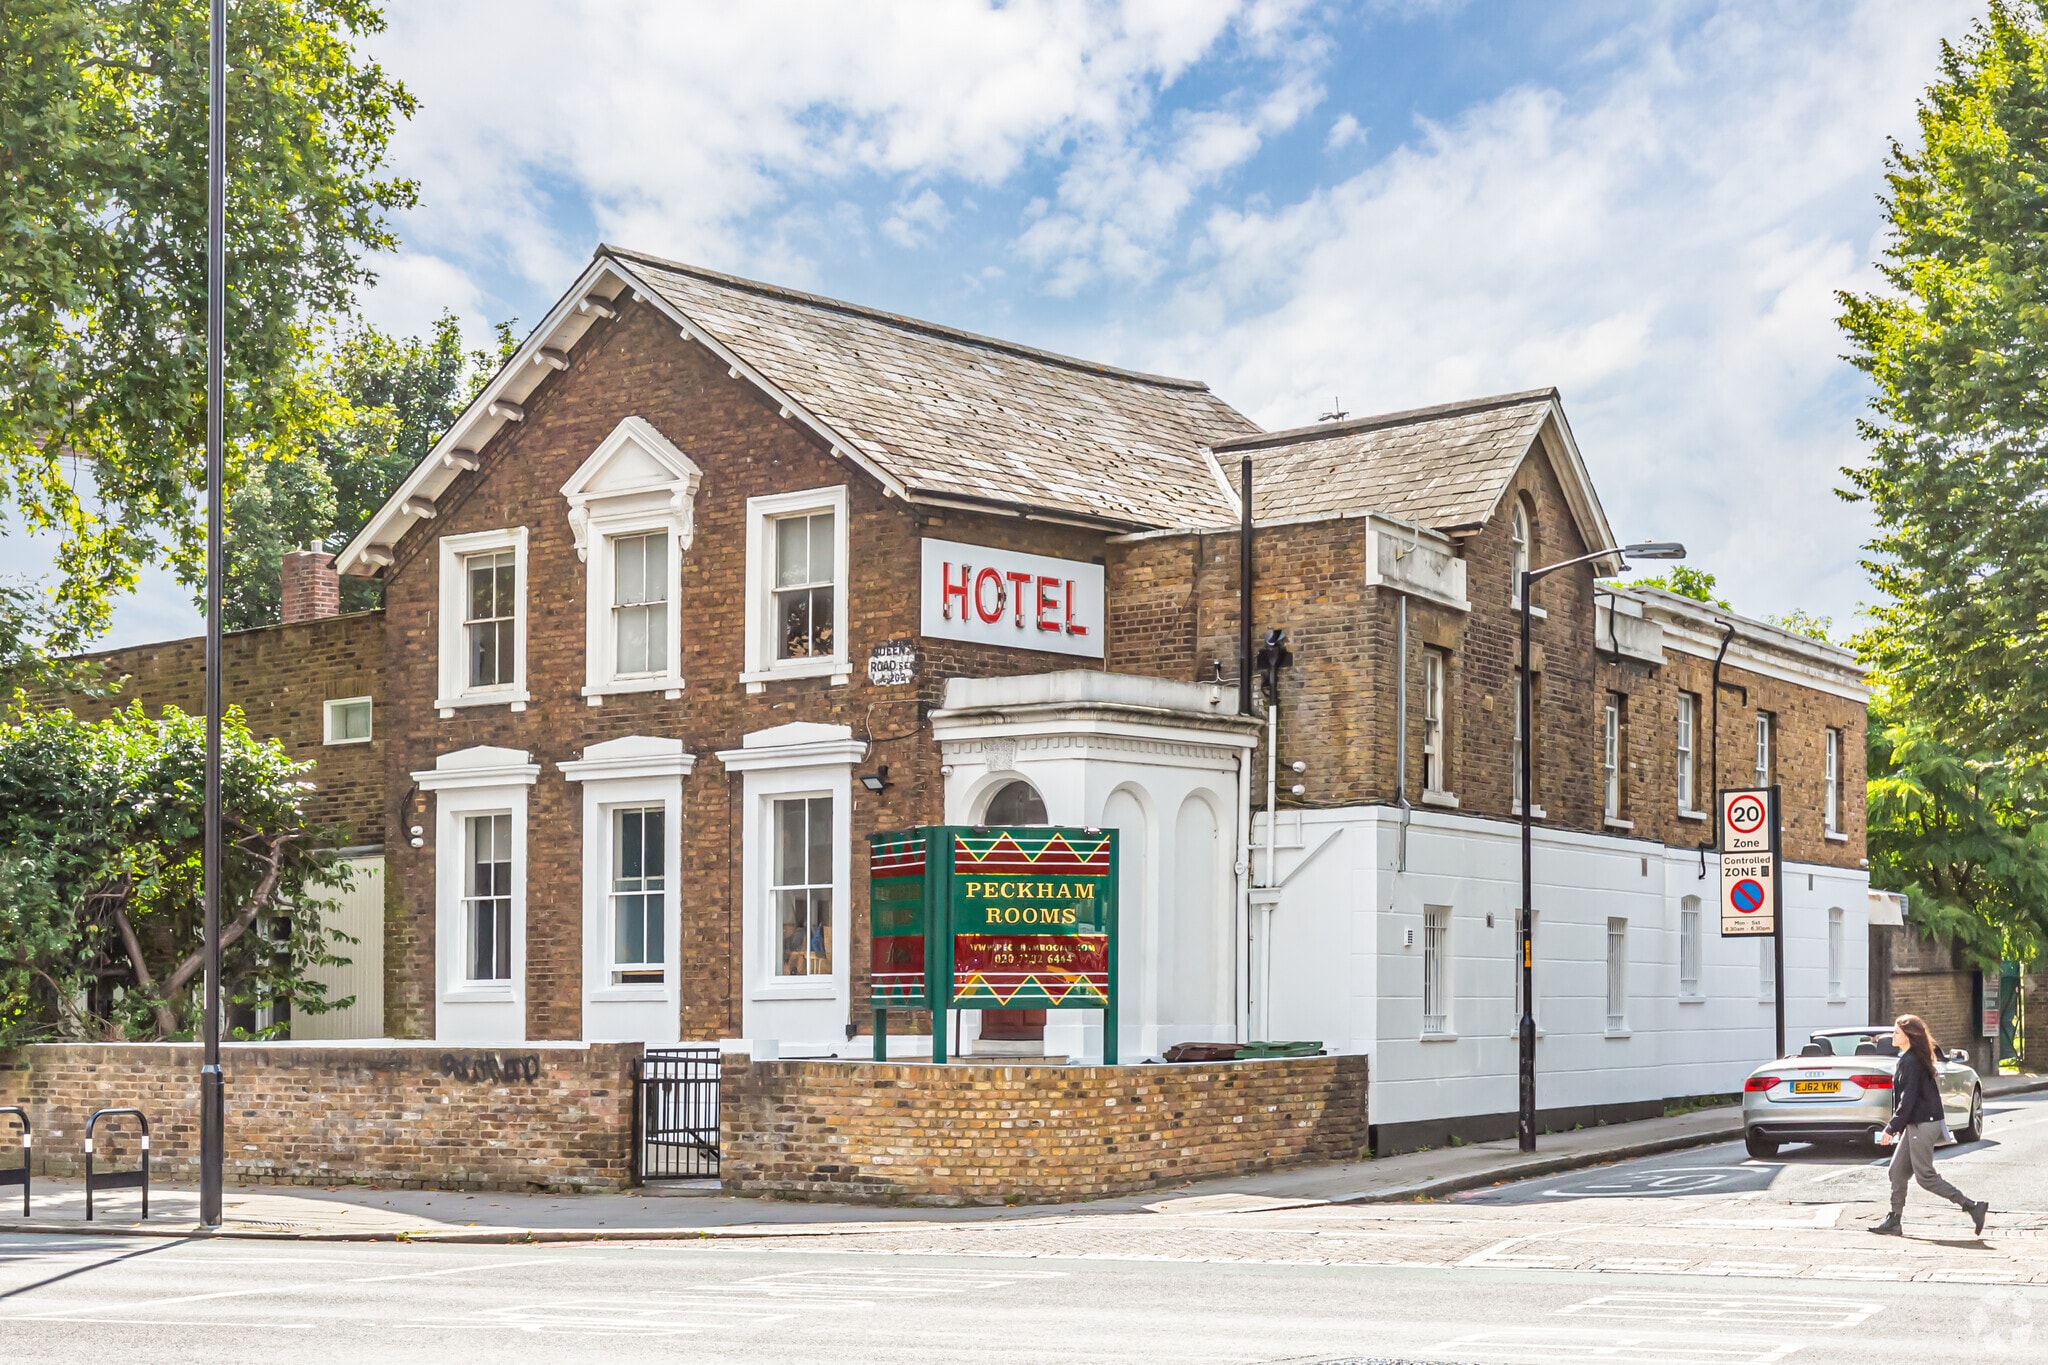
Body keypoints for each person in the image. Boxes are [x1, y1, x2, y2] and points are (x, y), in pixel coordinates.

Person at [1869, 1014, 1989, 1237]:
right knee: (1896, 1171)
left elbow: (1909, 1099)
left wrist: (1891, 1128)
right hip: (1917, 1123)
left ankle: (1972, 1206)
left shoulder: (1912, 1061)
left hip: (1924, 1124)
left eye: (1896, 1032)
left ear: (1909, 1036)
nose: (1892, 1035)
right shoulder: (1910, 1058)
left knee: (1925, 1177)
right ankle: (1894, 1219)